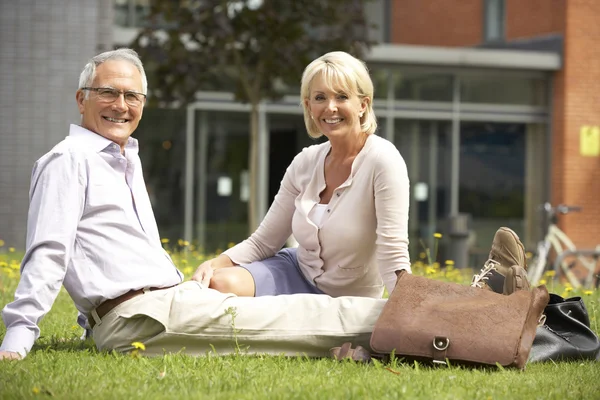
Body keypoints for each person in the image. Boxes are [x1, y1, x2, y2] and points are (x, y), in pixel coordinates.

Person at [0, 48, 528, 361]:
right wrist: (20, 332)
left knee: (333, 312)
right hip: (146, 316)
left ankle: (483, 307)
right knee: (311, 316)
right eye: (107, 93)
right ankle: (490, 314)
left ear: (364, 104)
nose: (122, 105)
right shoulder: (70, 160)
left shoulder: (119, 158)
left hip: (158, 305)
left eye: (133, 96)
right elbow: (50, 248)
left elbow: (394, 254)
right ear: (81, 99)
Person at [193, 51, 410, 298]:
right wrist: (212, 265)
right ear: (309, 106)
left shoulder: (383, 160)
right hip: (294, 272)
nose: (330, 107)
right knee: (218, 283)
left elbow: (393, 251)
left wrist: (405, 317)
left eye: (342, 96)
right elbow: (265, 242)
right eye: (320, 97)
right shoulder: (305, 162)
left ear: (363, 104)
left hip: (347, 298)